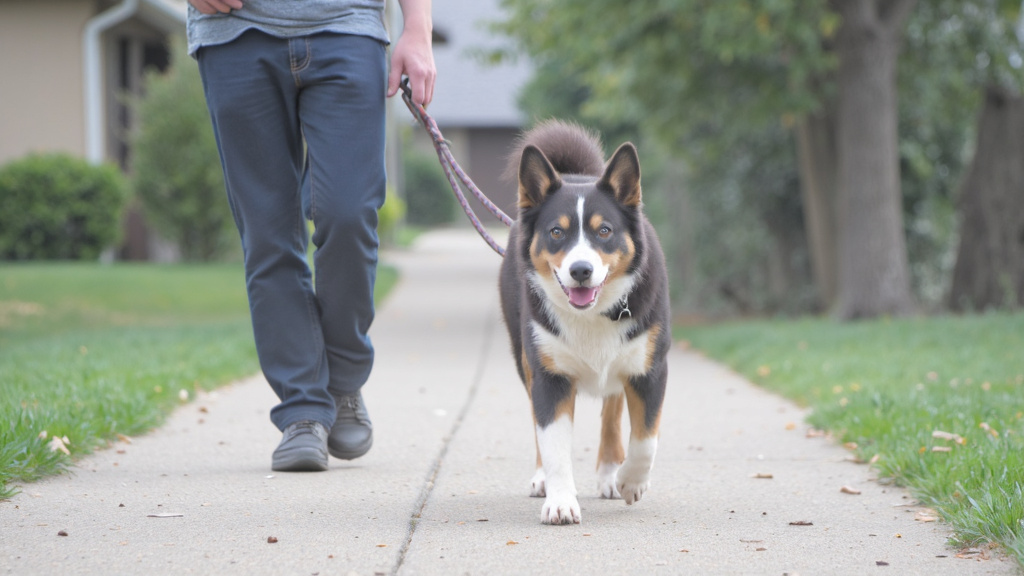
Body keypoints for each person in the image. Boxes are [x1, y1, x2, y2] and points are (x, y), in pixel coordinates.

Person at [186, 0, 436, 471]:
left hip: (347, 26)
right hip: (234, 33)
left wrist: (418, 27)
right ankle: (302, 410)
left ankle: (342, 382)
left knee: (349, 212)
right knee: (267, 233)